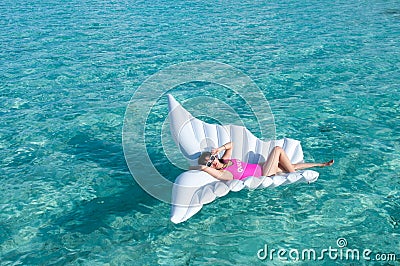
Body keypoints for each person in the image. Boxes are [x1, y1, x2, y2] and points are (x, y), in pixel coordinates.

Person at [190, 142, 334, 181]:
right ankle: (295, 177)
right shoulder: (224, 174)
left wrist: (218, 150)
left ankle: (322, 164)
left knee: (293, 166)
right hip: (264, 174)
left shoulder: (226, 160)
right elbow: (202, 169)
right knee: (277, 149)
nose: (213, 163)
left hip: (266, 167)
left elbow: (231, 145)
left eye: (212, 159)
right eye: (210, 163)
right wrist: (204, 166)